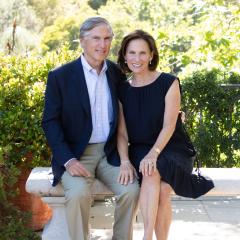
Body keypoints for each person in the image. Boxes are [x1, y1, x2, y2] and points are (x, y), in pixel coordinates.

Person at [42, 17, 139, 240]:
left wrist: (169, 115)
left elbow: (131, 109)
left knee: (131, 191)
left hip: (110, 152)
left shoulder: (116, 73)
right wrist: (68, 160)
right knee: (77, 194)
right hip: (76, 153)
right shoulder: (61, 76)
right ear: (82, 41)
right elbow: (50, 121)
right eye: (96, 38)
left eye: (107, 38)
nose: (102, 45)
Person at [117, 30, 214, 240]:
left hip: (172, 147)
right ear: (124, 56)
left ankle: (146, 237)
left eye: (143, 53)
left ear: (152, 55)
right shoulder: (122, 90)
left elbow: (169, 125)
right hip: (141, 148)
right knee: (157, 184)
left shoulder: (169, 82)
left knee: (153, 173)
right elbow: (122, 133)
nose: (137, 58)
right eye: (132, 53)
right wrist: (125, 160)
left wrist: (154, 153)